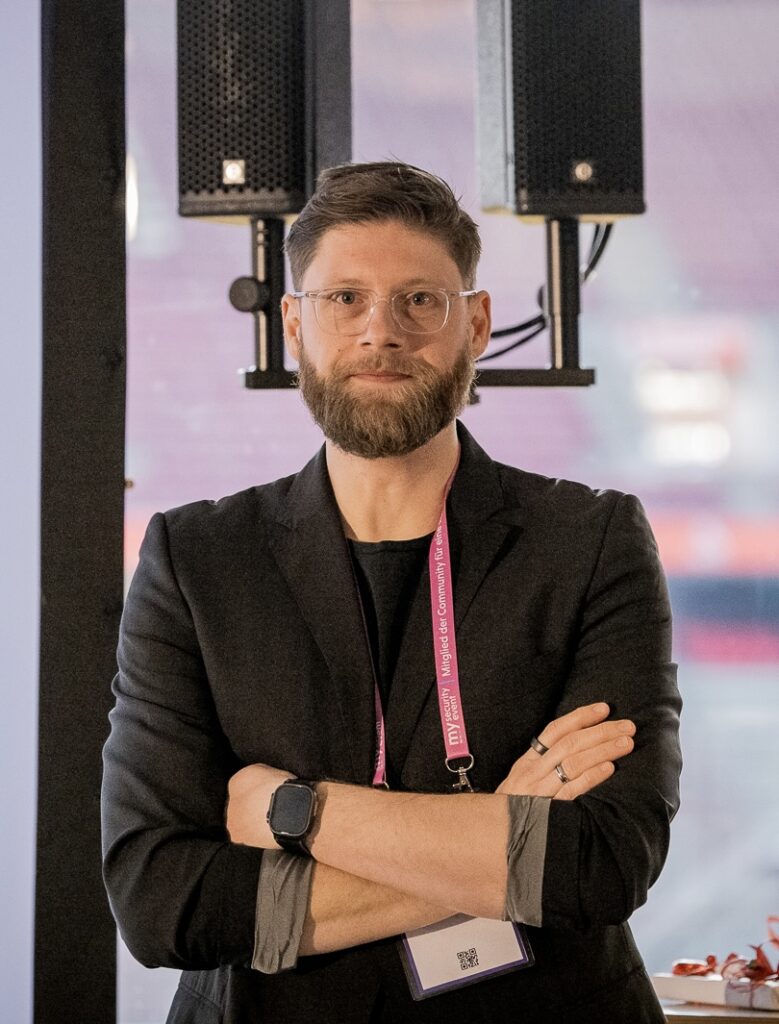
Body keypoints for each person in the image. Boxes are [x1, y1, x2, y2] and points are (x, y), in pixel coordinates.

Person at [101, 161, 682, 1023]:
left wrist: (297, 813)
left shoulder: (590, 542)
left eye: (420, 300)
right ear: (294, 324)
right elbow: (164, 903)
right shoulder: (196, 559)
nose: (382, 331)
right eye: (344, 299)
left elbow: (599, 864)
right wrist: (502, 834)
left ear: (474, 323)